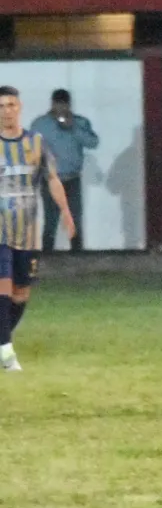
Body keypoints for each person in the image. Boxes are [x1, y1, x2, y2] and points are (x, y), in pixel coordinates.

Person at [0, 86, 75, 370]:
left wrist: (66, 211)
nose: (6, 111)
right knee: (3, 288)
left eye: (11, 105)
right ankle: (7, 354)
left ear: (19, 107)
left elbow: (52, 180)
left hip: (28, 231)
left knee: (21, 294)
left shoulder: (36, 143)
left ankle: (2, 339)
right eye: (1, 106)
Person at [31, 89, 97, 252]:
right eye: (58, 105)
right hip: (51, 180)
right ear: (52, 104)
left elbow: (93, 143)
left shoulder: (80, 122)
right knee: (51, 222)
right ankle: (48, 258)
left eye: (64, 105)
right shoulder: (41, 124)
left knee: (74, 220)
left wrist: (72, 127)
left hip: (72, 179)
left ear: (69, 105)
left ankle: (76, 258)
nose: (61, 108)